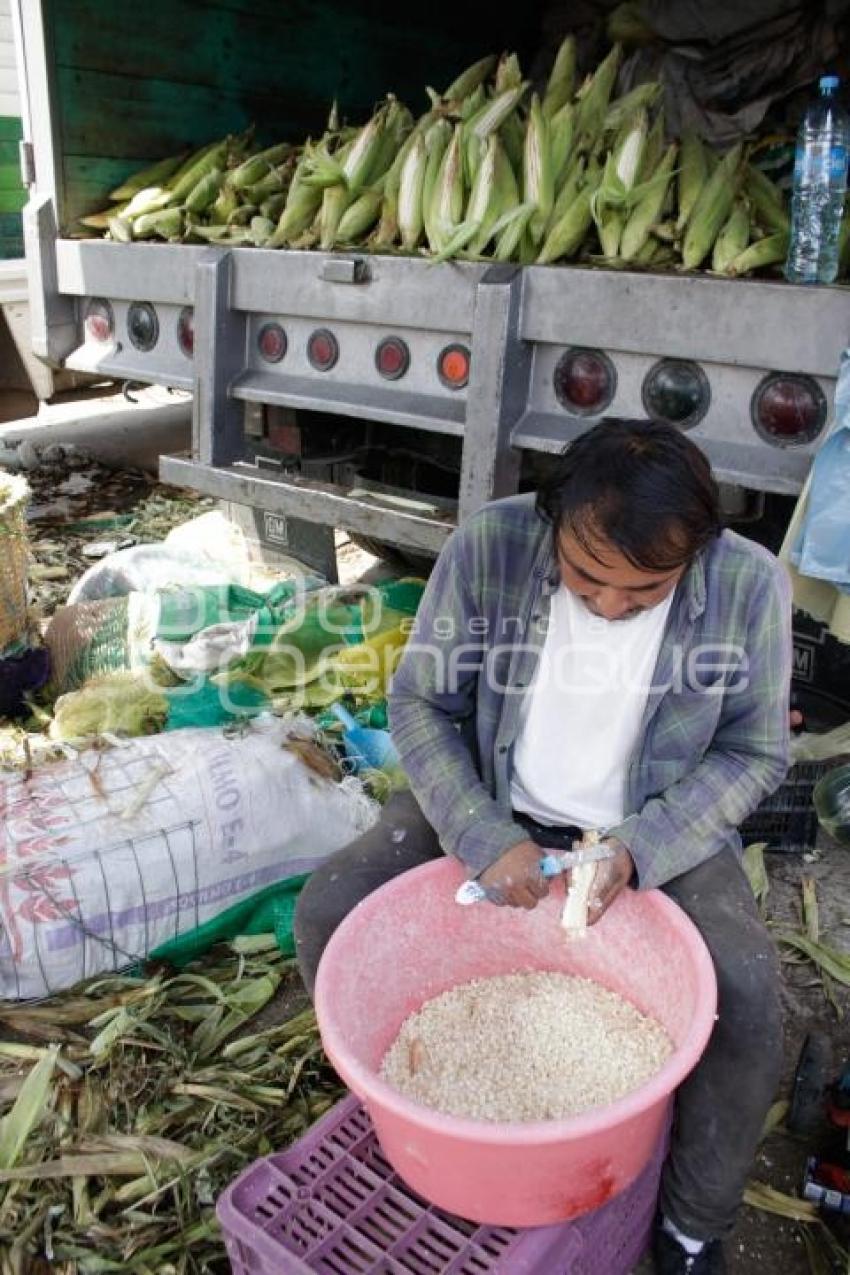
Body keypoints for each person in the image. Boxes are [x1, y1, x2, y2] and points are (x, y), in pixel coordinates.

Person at [294, 419, 792, 1275]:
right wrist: (484, 834)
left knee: (747, 997)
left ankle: (691, 1225)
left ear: (698, 553)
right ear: (552, 519)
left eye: (646, 591)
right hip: (494, 789)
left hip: (655, 820)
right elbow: (420, 705)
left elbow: (753, 752)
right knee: (331, 908)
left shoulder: (749, 585)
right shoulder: (491, 542)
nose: (609, 605)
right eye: (589, 577)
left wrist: (642, 846)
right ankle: (408, 1121)